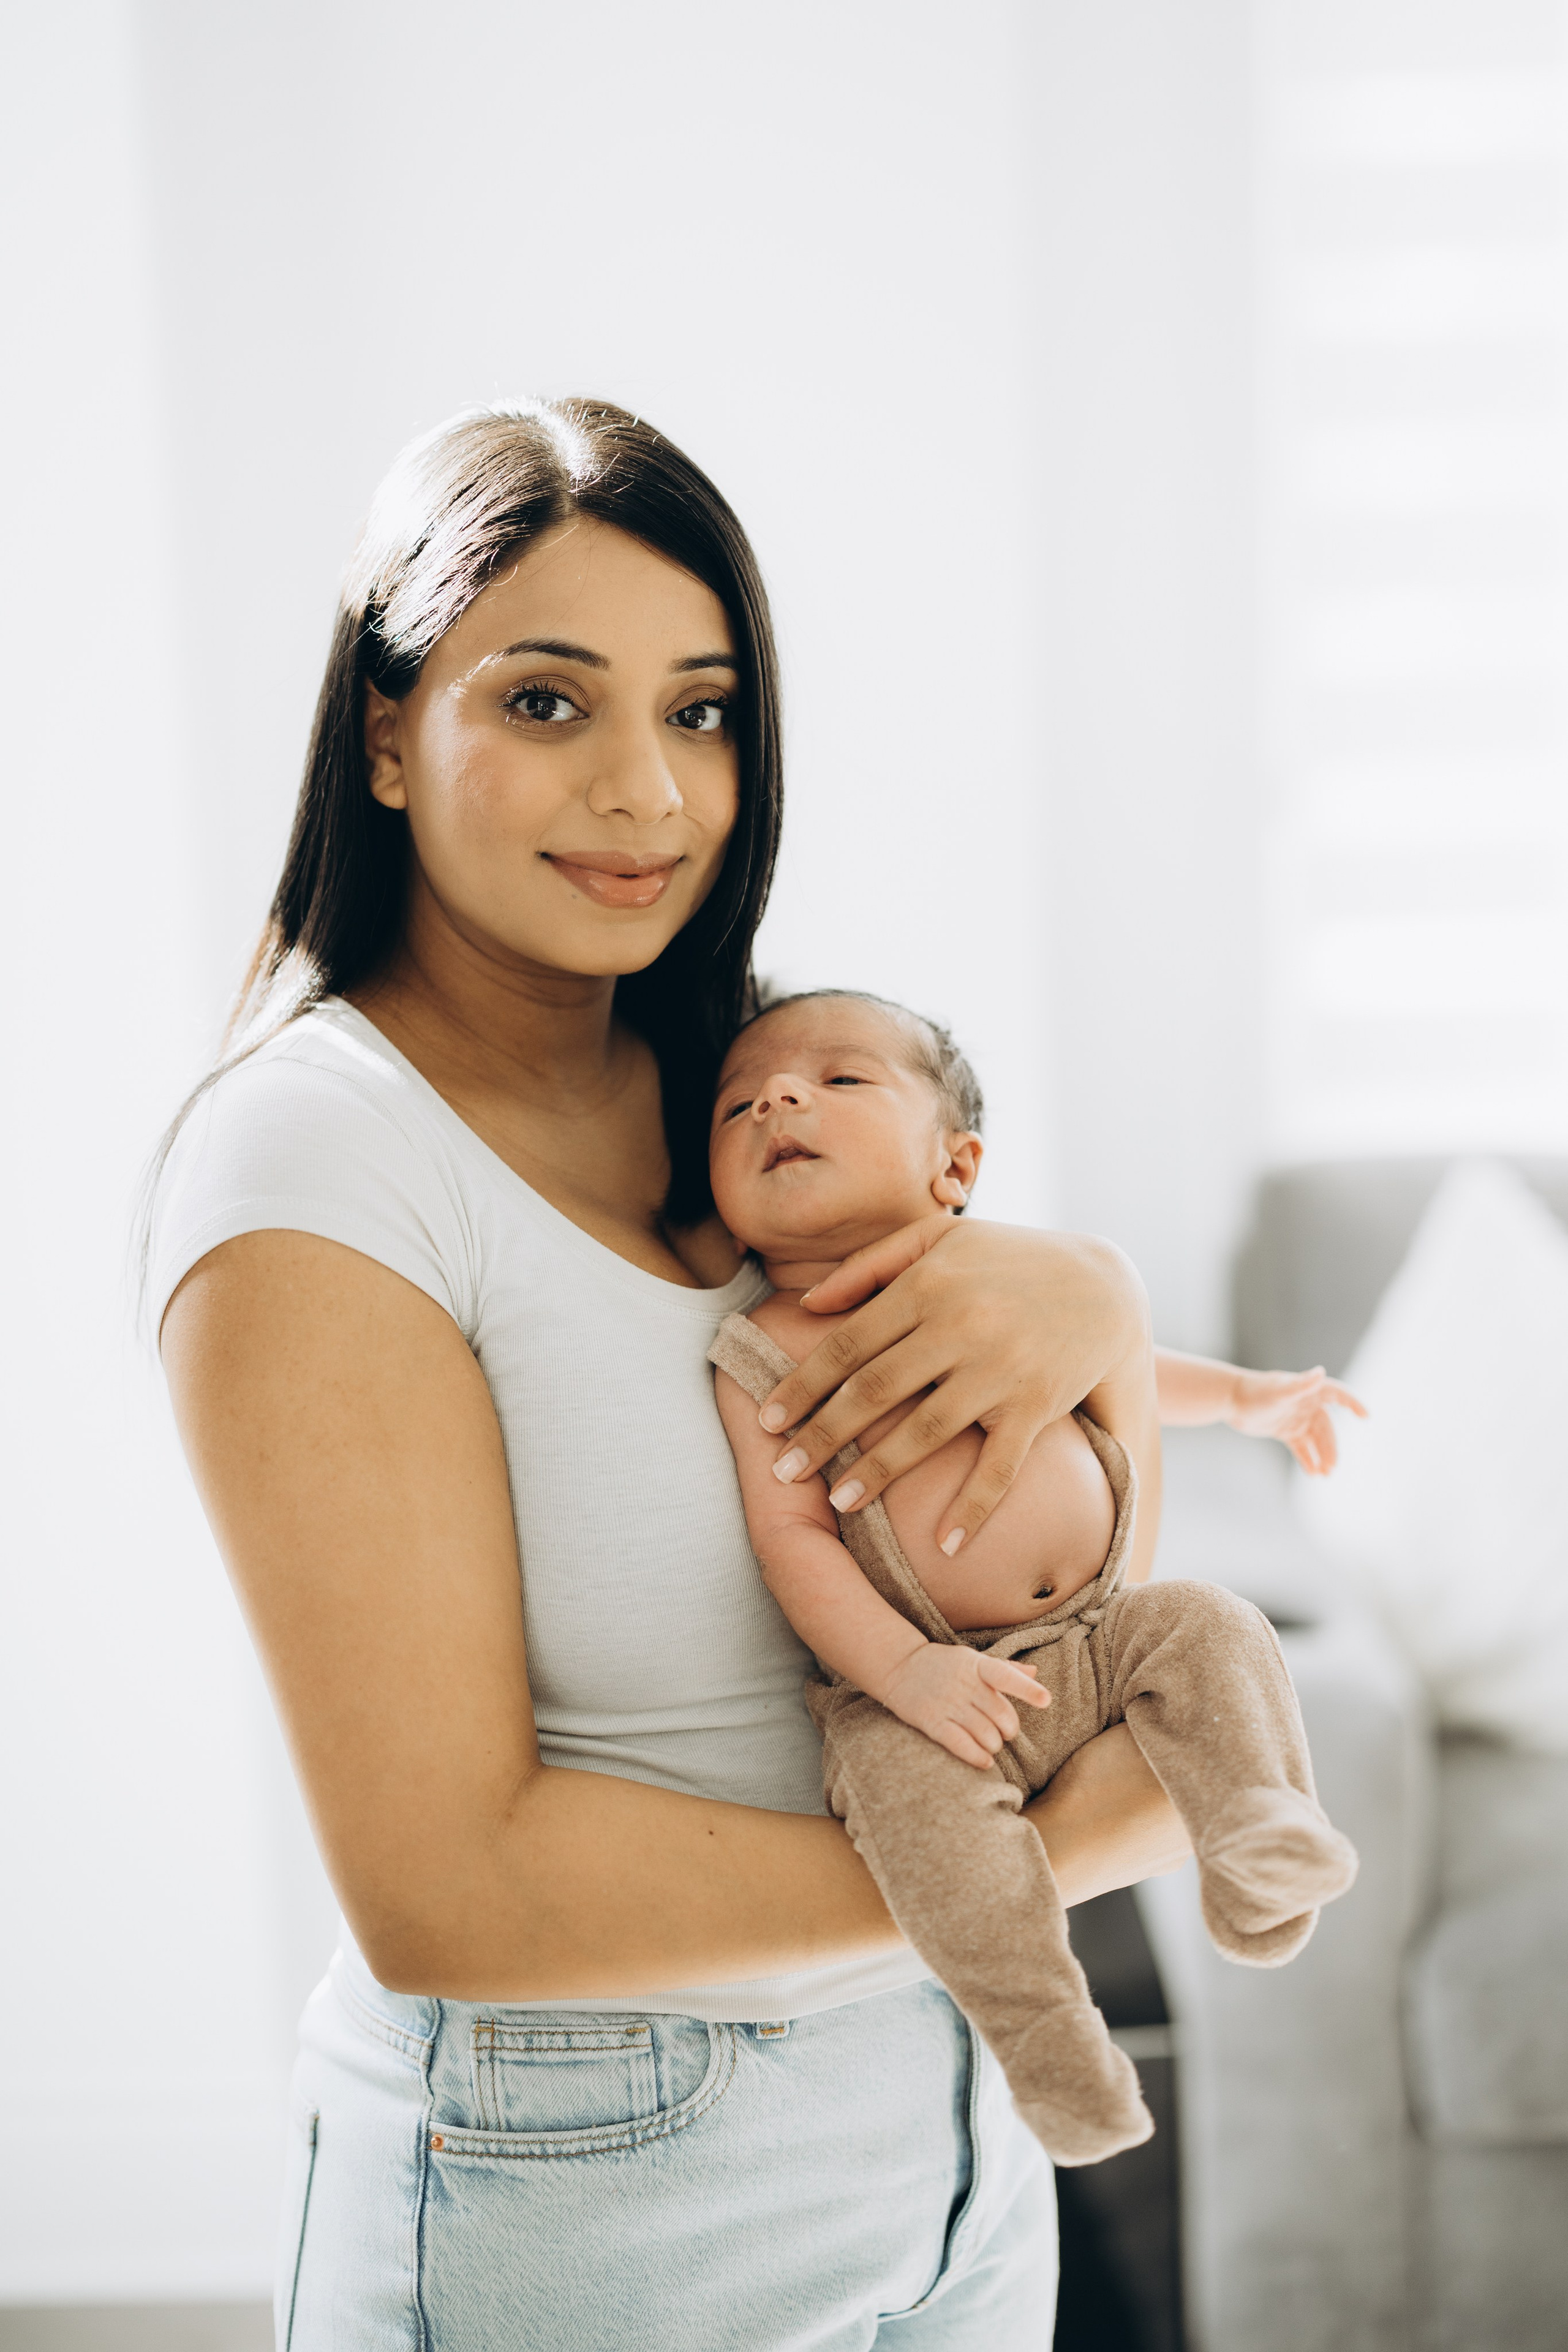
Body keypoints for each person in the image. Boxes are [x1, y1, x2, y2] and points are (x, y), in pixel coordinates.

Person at [152, 398, 1193, 2351]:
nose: (647, 792)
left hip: (950, 2139)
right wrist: (1038, 1860)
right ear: (386, 734)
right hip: (593, 2189)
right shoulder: (314, 1167)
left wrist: (1108, 1309)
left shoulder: (752, 1092)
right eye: (546, 703)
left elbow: (1043, 1561)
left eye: (701, 712)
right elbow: (451, 1887)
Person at [706, 989, 1360, 2166]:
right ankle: (1051, 2051)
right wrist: (907, 1674)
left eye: (840, 1080)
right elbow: (790, 1539)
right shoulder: (760, 1348)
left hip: (1100, 1642)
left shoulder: (1002, 1284)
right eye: (738, 1104)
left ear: (955, 1165)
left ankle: (1258, 1830)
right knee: (919, 1823)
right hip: (928, 1694)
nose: (781, 1099)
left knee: (1214, 1625)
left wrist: (1253, 1399)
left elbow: (1130, 1367)